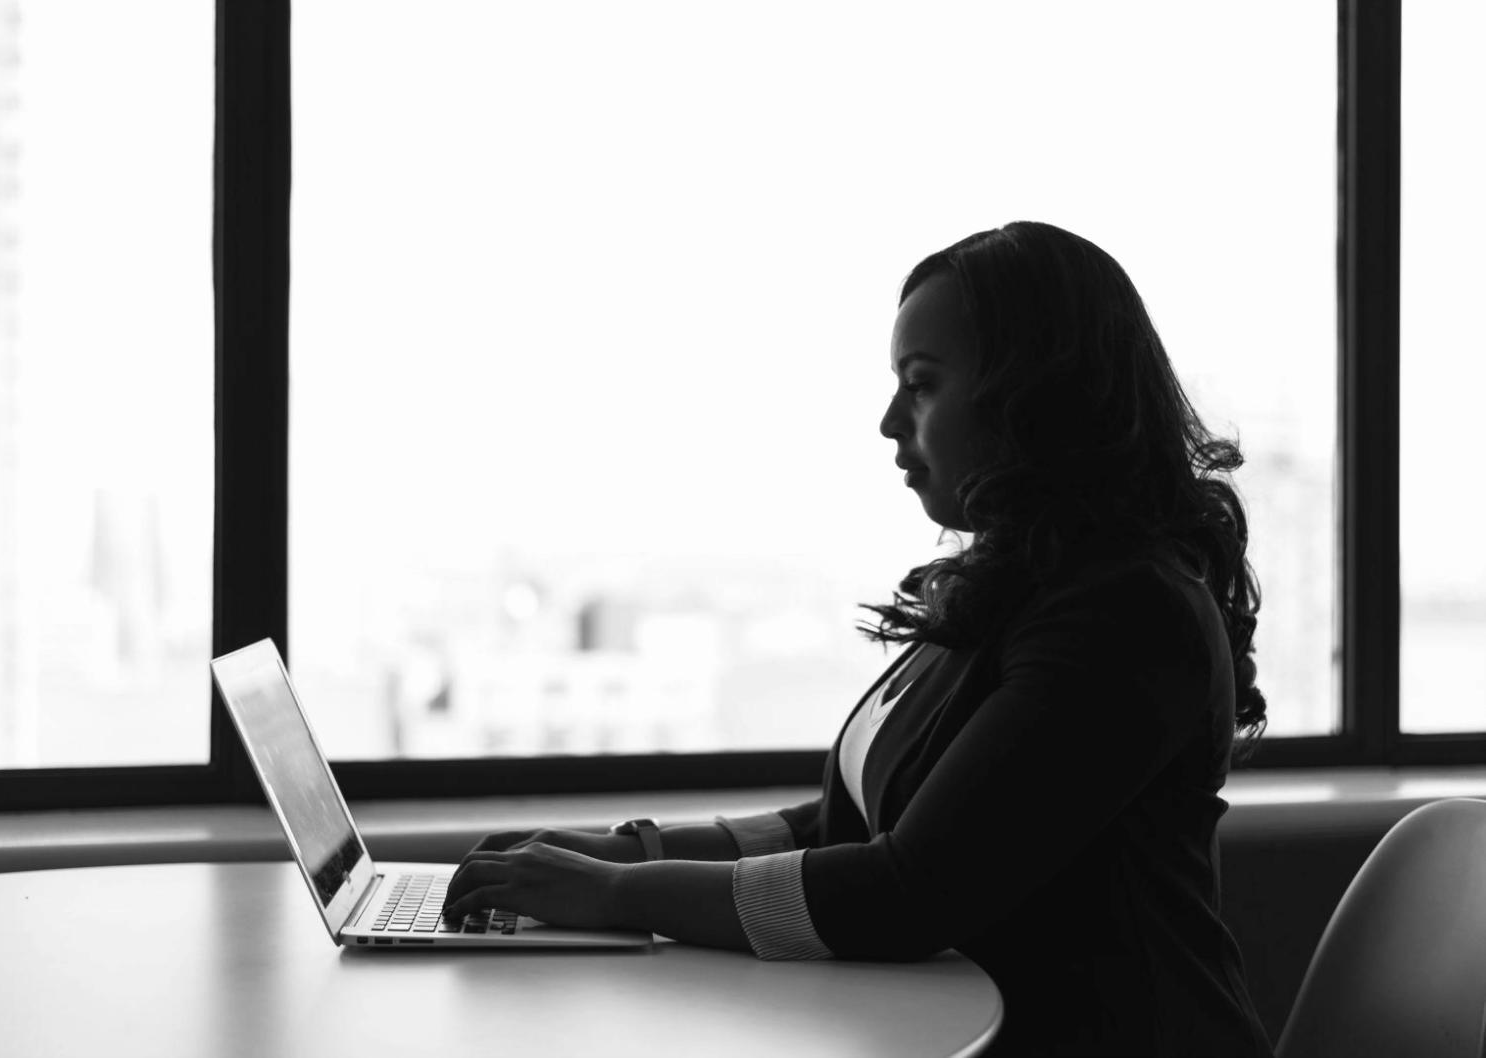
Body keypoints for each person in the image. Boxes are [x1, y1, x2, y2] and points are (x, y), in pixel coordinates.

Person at [443, 221, 1277, 1057]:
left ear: (1036, 396)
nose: (888, 421)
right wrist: (637, 851)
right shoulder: (1021, 584)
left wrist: (620, 894)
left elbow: (909, 888)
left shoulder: (1126, 614)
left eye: (921, 385)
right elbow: (848, 826)